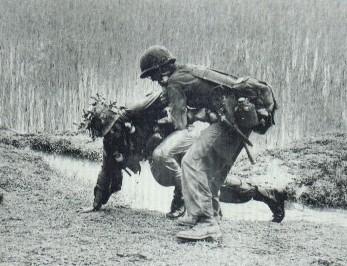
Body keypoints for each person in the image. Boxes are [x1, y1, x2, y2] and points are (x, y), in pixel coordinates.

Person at [139, 45, 286, 240]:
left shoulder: (174, 83)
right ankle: (212, 214)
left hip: (231, 121)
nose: (154, 80)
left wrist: (185, 113)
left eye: (153, 75)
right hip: (240, 119)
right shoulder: (186, 69)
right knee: (211, 169)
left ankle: (205, 222)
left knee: (192, 162)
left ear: (161, 69)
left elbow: (180, 123)